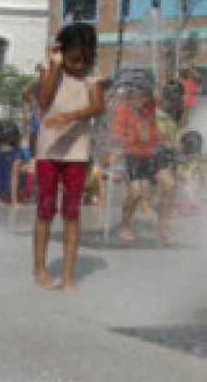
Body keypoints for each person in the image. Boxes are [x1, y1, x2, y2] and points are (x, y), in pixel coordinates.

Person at [32, 24, 105, 291]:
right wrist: (54, 65)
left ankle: (68, 274)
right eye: (74, 60)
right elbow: (43, 98)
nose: (79, 65)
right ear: (62, 52)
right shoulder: (49, 66)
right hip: (48, 150)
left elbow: (98, 105)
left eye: (84, 59)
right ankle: (40, 269)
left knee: (72, 212)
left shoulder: (92, 72)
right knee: (45, 209)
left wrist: (70, 116)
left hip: (77, 150)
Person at [110, 68, 171, 242]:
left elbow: (155, 120)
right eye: (142, 94)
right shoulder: (122, 109)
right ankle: (125, 224)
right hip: (132, 155)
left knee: (168, 184)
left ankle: (162, 227)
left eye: (147, 93)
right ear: (132, 93)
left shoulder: (151, 102)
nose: (145, 97)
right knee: (135, 192)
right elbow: (115, 136)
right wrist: (116, 155)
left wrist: (161, 135)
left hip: (151, 152)